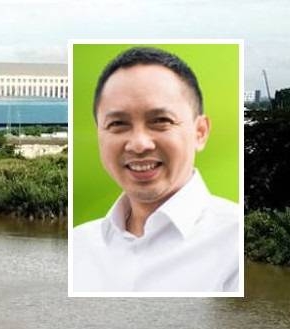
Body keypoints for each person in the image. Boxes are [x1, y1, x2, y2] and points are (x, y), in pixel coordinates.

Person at [71, 46, 241, 293]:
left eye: (160, 121)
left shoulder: (236, 245)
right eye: (118, 124)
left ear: (200, 132)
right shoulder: (79, 245)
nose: (139, 144)